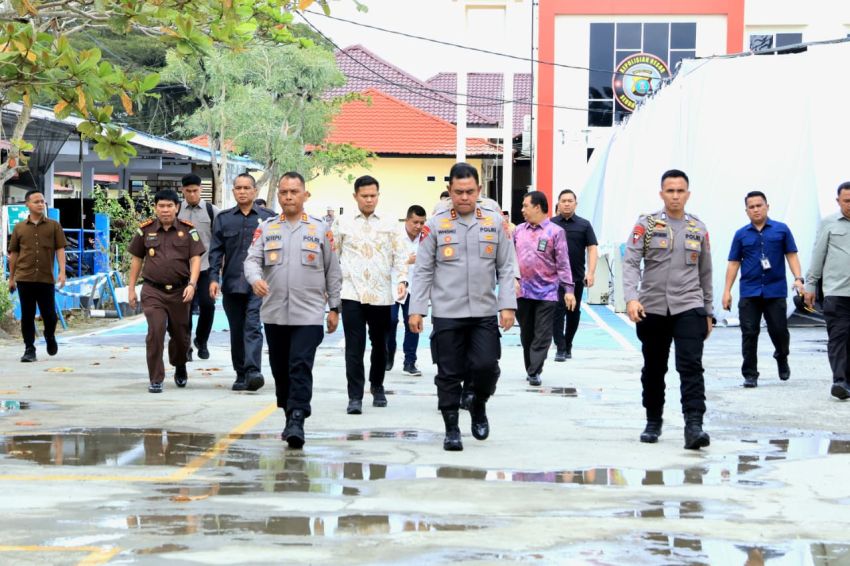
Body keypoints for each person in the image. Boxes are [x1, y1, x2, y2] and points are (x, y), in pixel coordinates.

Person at [410, 162, 517, 452]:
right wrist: (416, 309)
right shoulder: (435, 224)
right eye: (459, 192)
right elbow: (423, 269)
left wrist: (507, 305)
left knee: (486, 366)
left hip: (483, 311)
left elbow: (507, 266)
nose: (465, 197)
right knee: (448, 372)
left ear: (479, 190)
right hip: (447, 312)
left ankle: (478, 403)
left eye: (470, 191)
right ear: (450, 191)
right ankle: (452, 428)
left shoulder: (494, 222)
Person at [244, 172, 342, 448]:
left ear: (305, 195)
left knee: (300, 364)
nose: (288, 197)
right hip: (274, 312)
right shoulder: (267, 228)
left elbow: (333, 271)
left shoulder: (320, 229)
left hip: (308, 313)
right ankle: (289, 414)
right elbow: (251, 261)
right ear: (278, 196)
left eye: (294, 192)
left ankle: (298, 417)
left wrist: (334, 307)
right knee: (280, 368)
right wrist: (255, 279)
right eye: (284, 192)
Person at [622, 169, 714, 450]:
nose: (675, 196)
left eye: (680, 191)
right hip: (652, 307)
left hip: (689, 305)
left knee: (691, 366)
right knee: (654, 368)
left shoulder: (698, 228)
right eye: (670, 191)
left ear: (688, 194)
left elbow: (706, 272)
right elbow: (630, 262)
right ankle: (653, 420)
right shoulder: (647, 225)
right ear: (661, 193)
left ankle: (694, 426)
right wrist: (631, 298)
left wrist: (708, 311)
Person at [331, 175, 408, 414]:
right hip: (351, 293)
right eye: (364, 196)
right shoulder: (342, 223)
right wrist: (331, 292)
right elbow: (333, 257)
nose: (369, 200)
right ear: (355, 196)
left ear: (378, 196)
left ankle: (377, 385)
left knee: (380, 345)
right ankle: (354, 396)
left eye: (373, 195)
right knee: (354, 347)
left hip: (381, 294)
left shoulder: (390, 222)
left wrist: (402, 280)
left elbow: (400, 255)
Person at [722, 191, 804, 388]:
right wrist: (727, 291)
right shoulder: (741, 234)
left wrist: (798, 278)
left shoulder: (781, 229)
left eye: (759, 205)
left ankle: (781, 356)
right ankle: (750, 374)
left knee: (779, 331)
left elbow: (791, 255)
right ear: (746, 211)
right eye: (751, 207)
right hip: (749, 291)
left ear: (767, 206)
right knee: (749, 333)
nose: (756, 209)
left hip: (775, 290)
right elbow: (733, 263)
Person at [127, 189, 205, 393]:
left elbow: (195, 259)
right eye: (161, 206)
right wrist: (131, 289)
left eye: (169, 206)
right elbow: (137, 260)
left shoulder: (188, 230)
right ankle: (156, 378)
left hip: (180, 291)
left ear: (177, 208)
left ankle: (180, 364)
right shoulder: (145, 230)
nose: (165, 210)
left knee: (180, 335)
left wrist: (192, 284)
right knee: (156, 331)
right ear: (155, 208)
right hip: (153, 291)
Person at [208, 173, 276, 391]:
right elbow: (216, 252)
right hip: (232, 284)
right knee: (237, 330)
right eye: (238, 188)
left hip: (259, 285)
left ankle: (253, 371)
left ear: (255, 191)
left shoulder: (269, 218)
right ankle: (241, 373)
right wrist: (213, 279)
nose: (243, 191)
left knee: (253, 325)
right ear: (233, 191)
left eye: (247, 188)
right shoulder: (223, 219)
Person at [514, 191, 576, 386]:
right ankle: (530, 367)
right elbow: (510, 260)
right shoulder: (518, 231)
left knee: (542, 334)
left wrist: (569, 290)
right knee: (527, 333)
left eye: (525, 206)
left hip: (547, 292)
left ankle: (535, 370)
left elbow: (563, 262)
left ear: (538, 207)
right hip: (522, 291)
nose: (522, 210)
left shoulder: (556, 232)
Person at [7, 189, 67, 362]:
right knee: (27, 315)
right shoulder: (19, 228)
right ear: (27, 204)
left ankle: (49, 335)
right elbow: (14, 254)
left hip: (45, 278)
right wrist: (12, 278)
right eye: (36, 202)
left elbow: (60, 249)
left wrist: (62, 272)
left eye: (42, 201)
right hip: (24, 277)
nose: (41, 204)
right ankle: (29, 349)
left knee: (50, 315)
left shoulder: (54, 226)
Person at [804, 182, 850, 400]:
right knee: (838, 337)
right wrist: (810, 285)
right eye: (847, 201)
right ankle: (839, 381)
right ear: (838, 201)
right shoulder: (828, 223)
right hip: (836, 292)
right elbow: (818, 254)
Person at [550, 189, 599, 361]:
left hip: (576, 277)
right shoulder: (550, 224)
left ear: (575, 204)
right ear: (558, 203)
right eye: (563, 201)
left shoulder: (584, 225)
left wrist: (591, 272)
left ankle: (568, 343)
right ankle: (560, 347)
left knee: (573, 312)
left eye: (570, 201)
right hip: (554, 278)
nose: (566, 204)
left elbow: (592, 248)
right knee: (557, 311)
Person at [177, 174, 220, 360]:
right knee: (184, 308)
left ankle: (202, 340)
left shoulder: (212, 211)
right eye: (188, 191)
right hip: (182, 269)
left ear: (201, 189)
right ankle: (186, 345)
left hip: (206, 267)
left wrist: (219, 267)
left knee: (208, 305)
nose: (192, 194)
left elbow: (219, 240)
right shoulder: (176, 210)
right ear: (182, 190)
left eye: (195, 190)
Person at [386, 205, 427, 376]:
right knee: (390, 320)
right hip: (394, 285)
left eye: (422, 223)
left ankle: (410, 362)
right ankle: (388, 352)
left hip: (415, 288)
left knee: (413, 324)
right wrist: (406, 261)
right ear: (407, 220)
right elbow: (386, 259)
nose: (418, 226)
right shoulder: (394, 236)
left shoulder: (426, 238)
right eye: (415, 222)